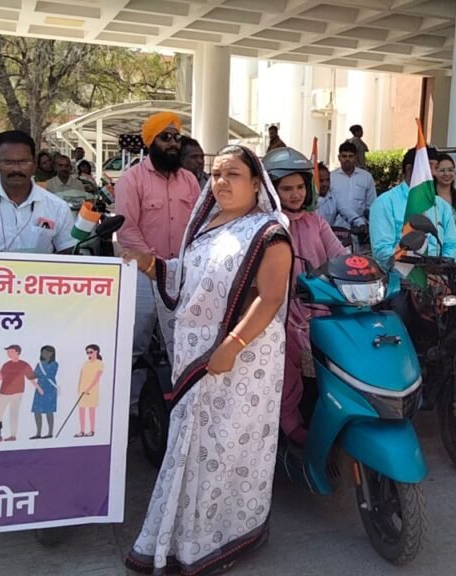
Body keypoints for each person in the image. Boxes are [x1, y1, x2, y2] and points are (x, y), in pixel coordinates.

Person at [122, 144, 292, 575]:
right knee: (194, 446)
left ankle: (223, 536)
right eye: (216, 174)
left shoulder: (269, 232)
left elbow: (270, 298)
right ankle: (184, 536)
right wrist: (147, 263)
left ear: (256, 183)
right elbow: (187, 278)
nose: (221, 182)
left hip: (244, 361)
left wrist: (232, 345)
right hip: (199, 356)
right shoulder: (208, 226)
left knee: (228, 446)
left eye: (232, 174)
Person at [264, 146, 347, 445]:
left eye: (300, 187)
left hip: (319, 306)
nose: (295, 194)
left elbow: (340, 255)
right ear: (271, 191)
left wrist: (362, 268)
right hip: (278, 311)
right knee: (288, 354)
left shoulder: (316, 221)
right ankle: (288, 422)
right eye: (286, 189)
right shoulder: (266, 225)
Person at [115, 112, 201, 366]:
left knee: (183, 341)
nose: (172, 143)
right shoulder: (131, 179)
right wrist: (156, 266)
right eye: (165, 137)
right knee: (135, 341)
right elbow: (127, 229)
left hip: (183, 272)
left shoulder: (189, 180)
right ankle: (132, 391)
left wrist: (179, 267)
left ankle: (176, 389)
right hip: (143, 272)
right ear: (150, 141)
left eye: (176, 138)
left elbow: (200, 224)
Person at [0, 130, 75, 254]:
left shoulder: (58, 207)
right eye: (8, 162)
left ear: (34, 164)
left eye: (23, 162)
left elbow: (68, 253)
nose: (16, 169)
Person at [369, 146, 456, 269]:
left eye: (436, 168)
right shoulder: (385, 203)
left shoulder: (441, 205)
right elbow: (381, 252)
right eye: (429, 167)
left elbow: (453, 244)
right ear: (409, 169)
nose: (434, 174)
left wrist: (440, 269)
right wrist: (420, 267)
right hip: (400, 277)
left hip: (438, 277)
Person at [0, 344, 39, 443]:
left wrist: (38, 388)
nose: (8, 353)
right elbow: (0, 377)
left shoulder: (24, 364)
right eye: (8, 352)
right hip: (4, 391)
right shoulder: (6, 365)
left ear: (17, 352)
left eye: (11, 351)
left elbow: (31, 378)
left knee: (13, 413)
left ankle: (13, 435)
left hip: (17, 392)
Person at [329, 141, 377, 232]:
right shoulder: (331, 177)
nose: (347, 159)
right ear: (339, 157)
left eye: (350, 156)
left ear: (355, 157)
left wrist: (368, 225)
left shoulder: (366, 177)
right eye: (344, 156)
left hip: (360, 229)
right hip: (336, 228)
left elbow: (372, 205)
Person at [75, 345, 104, 437]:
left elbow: (96, 378)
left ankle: (91, 430)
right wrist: (79, 387)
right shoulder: (85, 363)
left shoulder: (99, 363)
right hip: (82, 389)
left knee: (91, 410)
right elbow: (81, 376)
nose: (89, 354)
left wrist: (88, 389)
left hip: (92, 390)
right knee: (81, 409)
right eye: (87, 352)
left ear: (96, 352)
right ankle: (82, 431)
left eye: (91, 352)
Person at [31, 345, 58, 440]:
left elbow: (49, 375)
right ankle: (38, 433)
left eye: (47, 352)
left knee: (49, 411)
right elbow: (34, 375)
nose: (45, 354)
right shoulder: (39, 364)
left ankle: (50, 433)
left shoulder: (54, 364)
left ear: (52, 354)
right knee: (37, 411)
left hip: (50, 388)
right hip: (39, 387)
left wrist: (37, 374)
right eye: (43, 352)